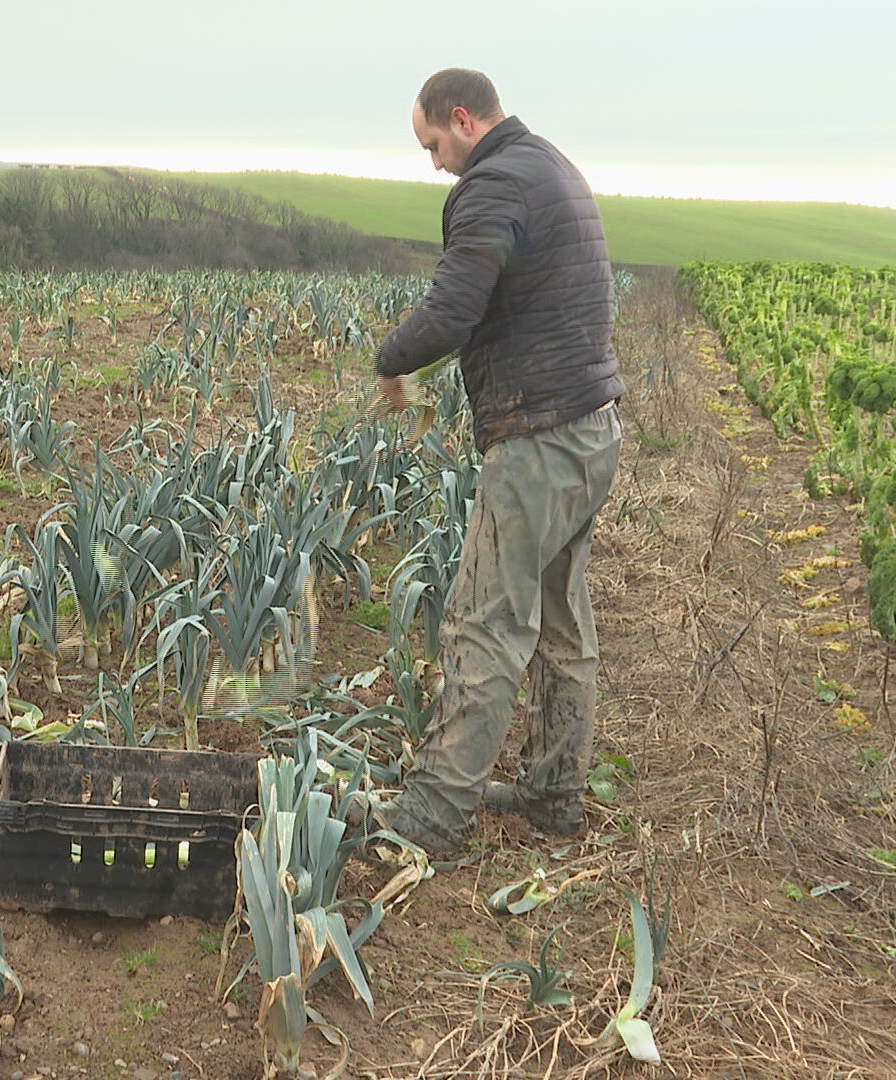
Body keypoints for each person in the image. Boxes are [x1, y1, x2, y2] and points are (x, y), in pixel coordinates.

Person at [370, 68, 626, 858]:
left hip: (540, 439)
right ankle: (554, 793)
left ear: (462, 119)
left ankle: (434, 818)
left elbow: (452, 308)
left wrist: (391, 360)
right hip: (593, 430)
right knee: (559, 622)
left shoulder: (491, 185)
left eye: (434, 144)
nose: (436, 162)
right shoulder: (552, 165)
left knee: (484, 623)